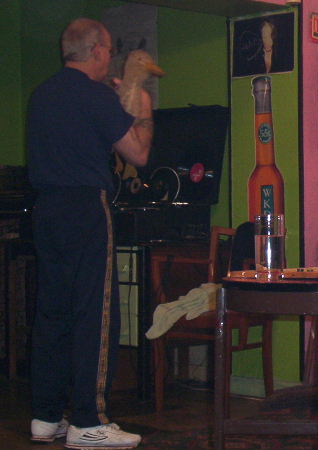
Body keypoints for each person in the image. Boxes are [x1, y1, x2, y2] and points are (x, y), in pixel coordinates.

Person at [27, 18, 152, 449]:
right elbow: (137, 152)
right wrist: (144, 111)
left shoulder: (42, 94)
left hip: (44, 210)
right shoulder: (95, 95)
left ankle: (45, 416)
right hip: (84, 208)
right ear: (97, 49)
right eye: (108, 50)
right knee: (94, 316)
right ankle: (87, 422)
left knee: (52, 312)